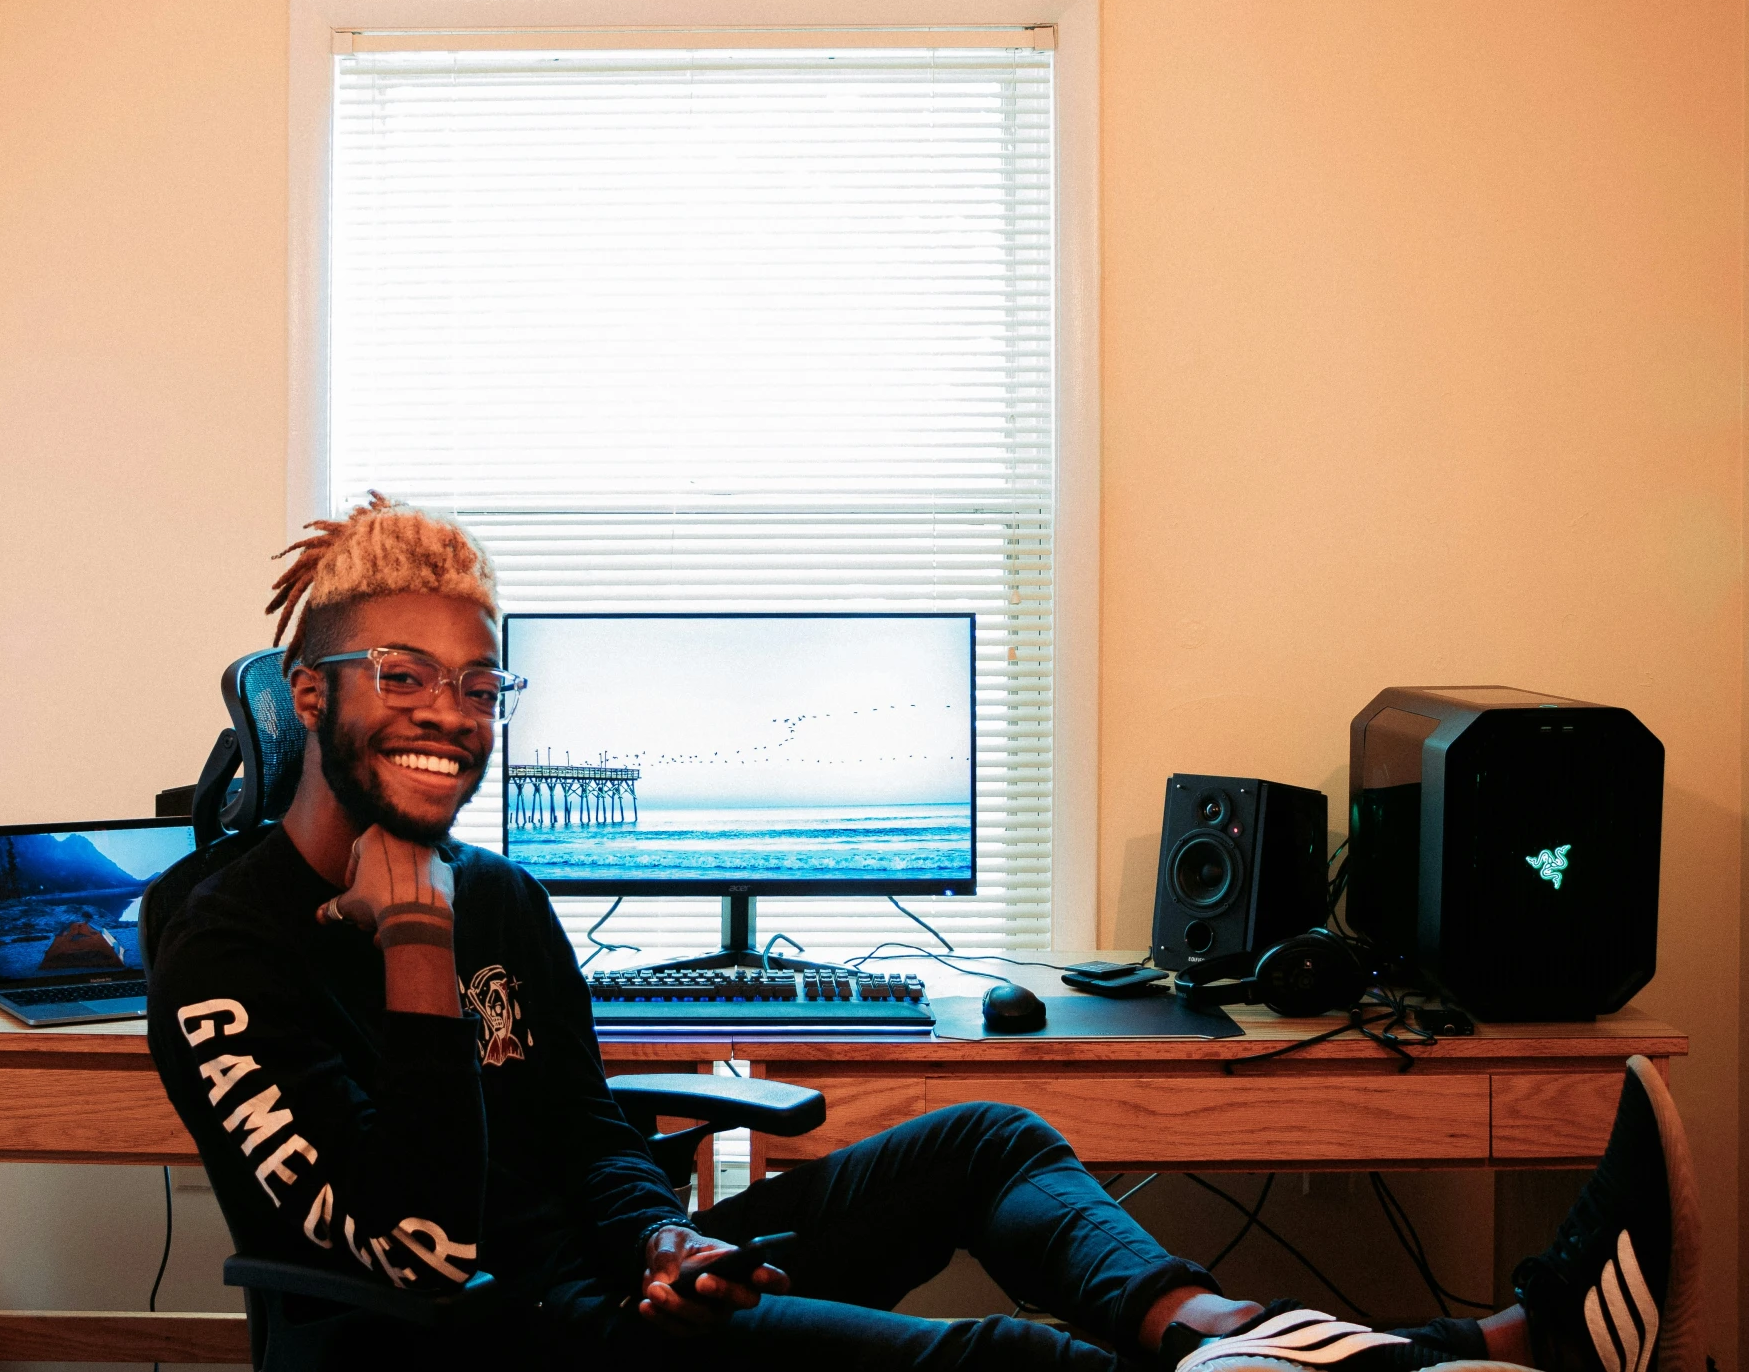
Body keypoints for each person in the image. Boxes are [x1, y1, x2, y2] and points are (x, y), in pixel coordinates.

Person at [147, 495, 1699, 1372]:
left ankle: (1216, 1332)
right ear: (307, 694)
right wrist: (412, 966)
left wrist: (660, 1233)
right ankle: (1475, 1351)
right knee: (1011, 1370)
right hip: (488, 1346)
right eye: (400, 676)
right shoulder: (223, 945)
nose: (450, 716)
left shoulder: (498, 899)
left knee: (985, 1135)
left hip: (611, 1286)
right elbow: (418, 1245)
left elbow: (578, 1137)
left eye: (478, 683)